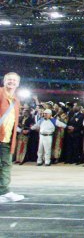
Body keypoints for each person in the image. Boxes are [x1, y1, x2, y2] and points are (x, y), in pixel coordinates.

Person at [0, 72, 25, 203]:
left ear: (18, 83)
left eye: (14, 80)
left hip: (7, 138)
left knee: (6, 165)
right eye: (9, 79)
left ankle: (3, 191)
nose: (11, 82)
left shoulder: (16, 100)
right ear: (4, 81)